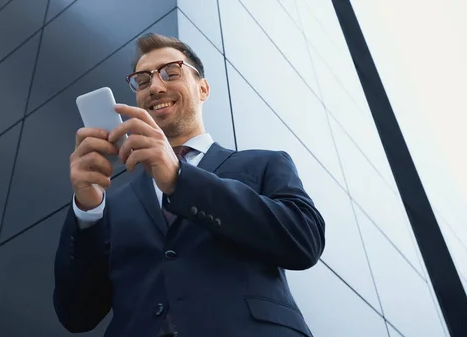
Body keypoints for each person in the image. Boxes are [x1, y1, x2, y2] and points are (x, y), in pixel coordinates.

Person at [53, 32, 326, 337]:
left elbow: (305, 241)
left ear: (203, 88)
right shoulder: (112, 204)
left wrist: (181, 180)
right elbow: (76, 315)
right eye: (143, 81)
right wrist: (87, 211)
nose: (155, 86)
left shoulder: (264, 163)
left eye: (171, 72)